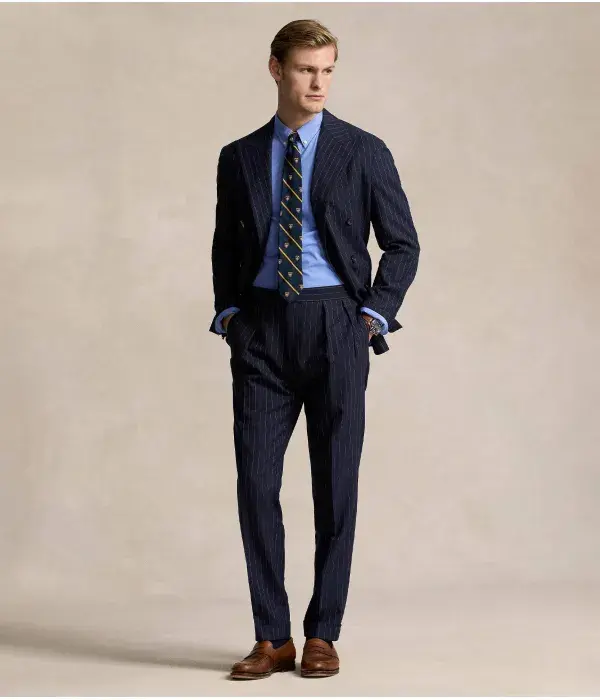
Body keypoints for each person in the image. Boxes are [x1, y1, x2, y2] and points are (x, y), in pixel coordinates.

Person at [209, 18, 420, 680]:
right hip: (262, 331)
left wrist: (372, 316)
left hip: (336, 327)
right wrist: (230, 312)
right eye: (306, 69)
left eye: (327, 70)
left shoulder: (363, 150)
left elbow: (403, 243)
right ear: (276, 69)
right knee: (255, 484)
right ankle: (272, 637)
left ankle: (322, 632)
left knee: (336, 486)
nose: (319, 82)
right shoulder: (240, 156)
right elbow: (225, 244)